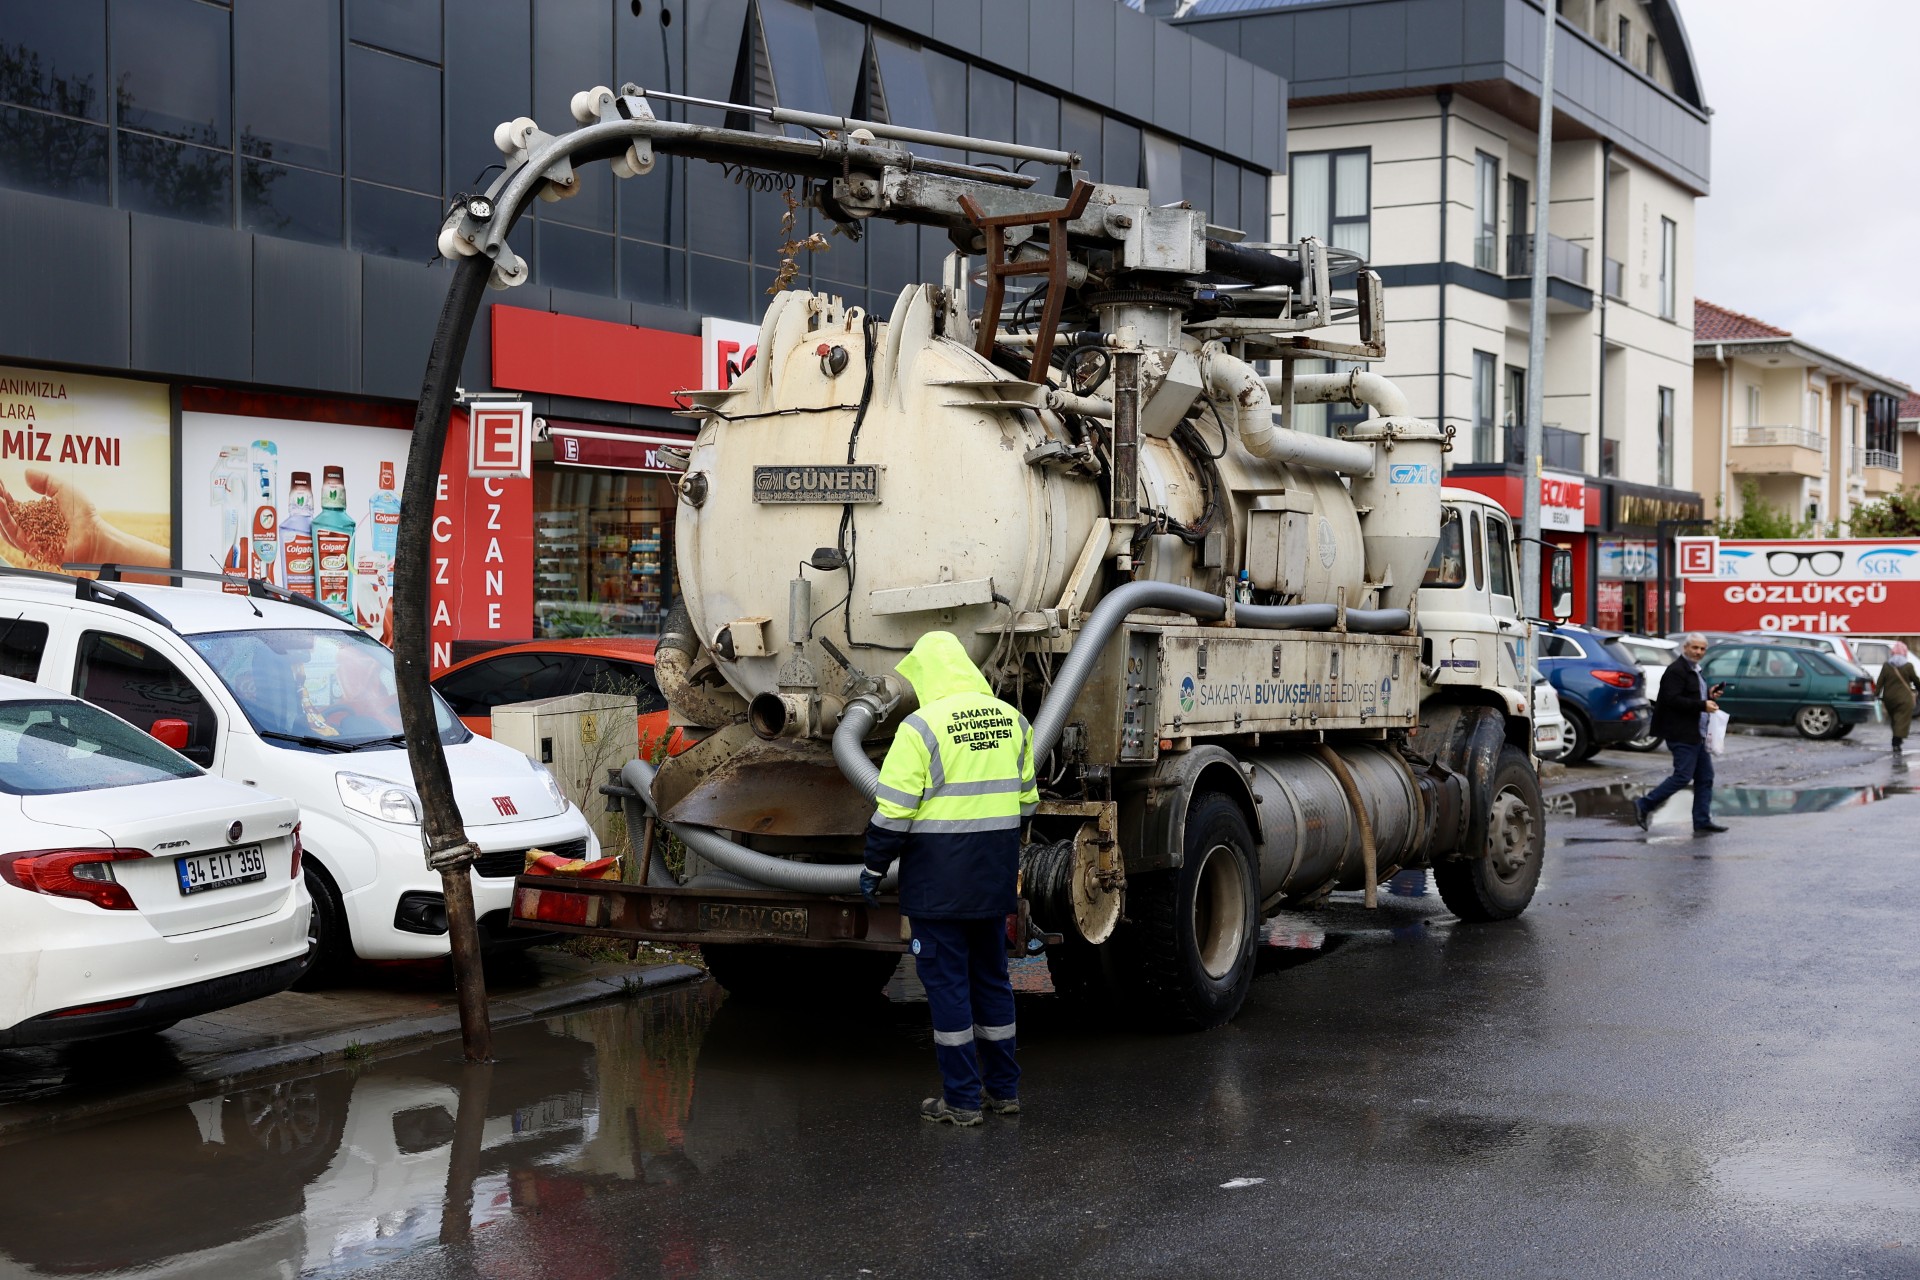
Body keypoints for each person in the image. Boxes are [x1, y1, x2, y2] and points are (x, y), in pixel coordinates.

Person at [859, 631, 1038, 1126]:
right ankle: (1004, 1092)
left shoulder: (920, 729)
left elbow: (892, 814)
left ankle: (960, 1101)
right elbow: (1027, 804)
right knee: (993, 983)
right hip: (993, 882)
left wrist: (873, 870)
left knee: (949, 992)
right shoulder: (1013, 720)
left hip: (938, 889)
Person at [1633, 632, 1729, 835]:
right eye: (1694, 648)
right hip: (1681, 733)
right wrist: (1702, 705)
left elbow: (1692, 694)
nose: (1698, 652)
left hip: (1697, 733)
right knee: (1683, 776)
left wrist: (1709, 694)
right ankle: (1644, 804)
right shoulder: (1676, 670)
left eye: (1702, 649)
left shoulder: (1695, 670)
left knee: (1705, 777)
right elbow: (1671, 700)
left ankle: (1702, 820)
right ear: (1685, 648)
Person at [1874, 642, 1918, 754]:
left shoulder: (1886, 666)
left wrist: (1876, 694)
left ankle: (1896, 738)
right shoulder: (1908, 666)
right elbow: (1915, 680)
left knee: (1895, 719)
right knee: (1902, 719)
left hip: (1889, 698)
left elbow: (1880, 681)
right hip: (1904, 698)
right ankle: (1896, 741)